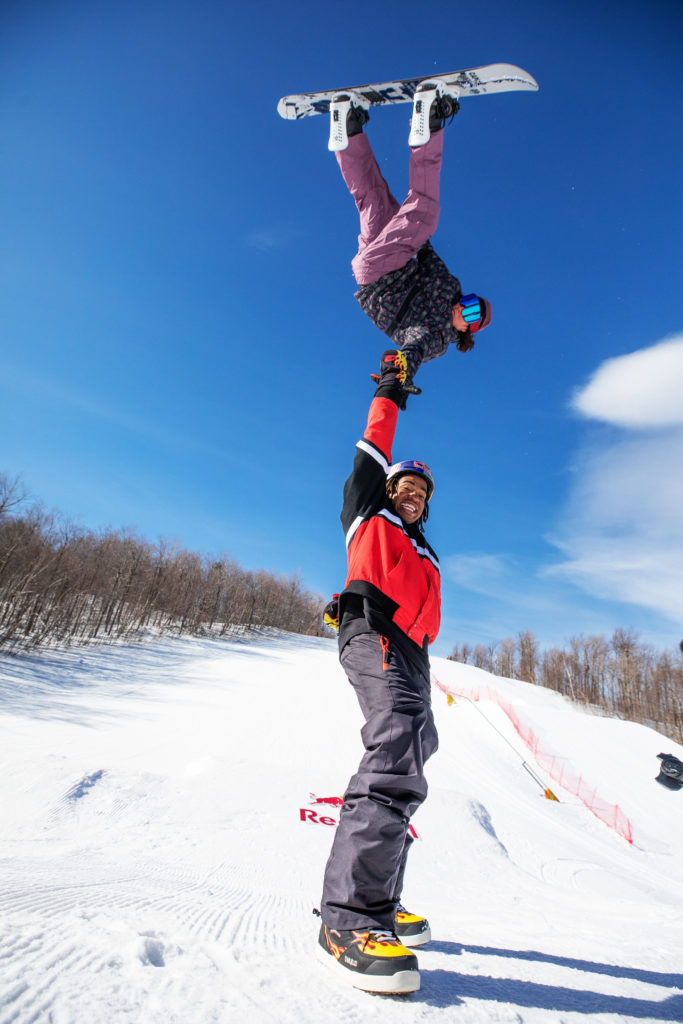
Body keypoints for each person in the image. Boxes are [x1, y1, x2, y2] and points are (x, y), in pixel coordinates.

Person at [316, 349, 441, 995]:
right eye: (404, 487)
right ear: (387, 490)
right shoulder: (370, 512)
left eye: (421, 492)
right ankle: (348, 920)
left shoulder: (423, 545)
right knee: (395, 733)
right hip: (373, 628)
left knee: (417, 743)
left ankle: (380, 899)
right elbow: (373, 446)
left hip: (412, 650)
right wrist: (391, 390)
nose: (412, 497)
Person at [329, 81, 492, 391]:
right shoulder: (451, 287)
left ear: (466, 330)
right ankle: (348, 125)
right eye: (470, 302)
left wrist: (399, 375)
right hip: (383, 264)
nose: (462, 307)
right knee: (373, 198)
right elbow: (427, 253)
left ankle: (430, 119)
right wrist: (408, 226)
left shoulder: (438, 336)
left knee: (426, 211)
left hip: (382, 275)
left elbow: (413, 348)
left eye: (470, 313)